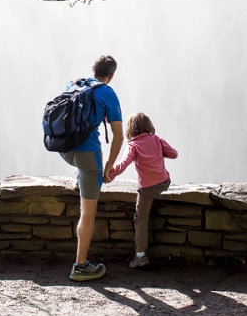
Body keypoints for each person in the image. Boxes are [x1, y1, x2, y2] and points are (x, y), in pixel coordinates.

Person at [59, 55, 123, 281]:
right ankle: (81, 265)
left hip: (65, 149)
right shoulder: (107, 93)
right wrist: (107, 167)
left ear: (92, 70)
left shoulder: (75, 84)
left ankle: (82, 177)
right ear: (111, 76)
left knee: (84, 171)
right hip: (87, 155)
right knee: (88, 212)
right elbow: (118, 137)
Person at [105, 111, 178, 269]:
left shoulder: (133, 145)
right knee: (156, 192)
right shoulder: (157, 139)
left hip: (147, 188)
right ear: (148, 126)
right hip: (164, 182)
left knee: (140, 219)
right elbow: (174, 154)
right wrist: (158, 152)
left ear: (130, 129)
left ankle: (140, 256)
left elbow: (123, 164)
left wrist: (108, 174)